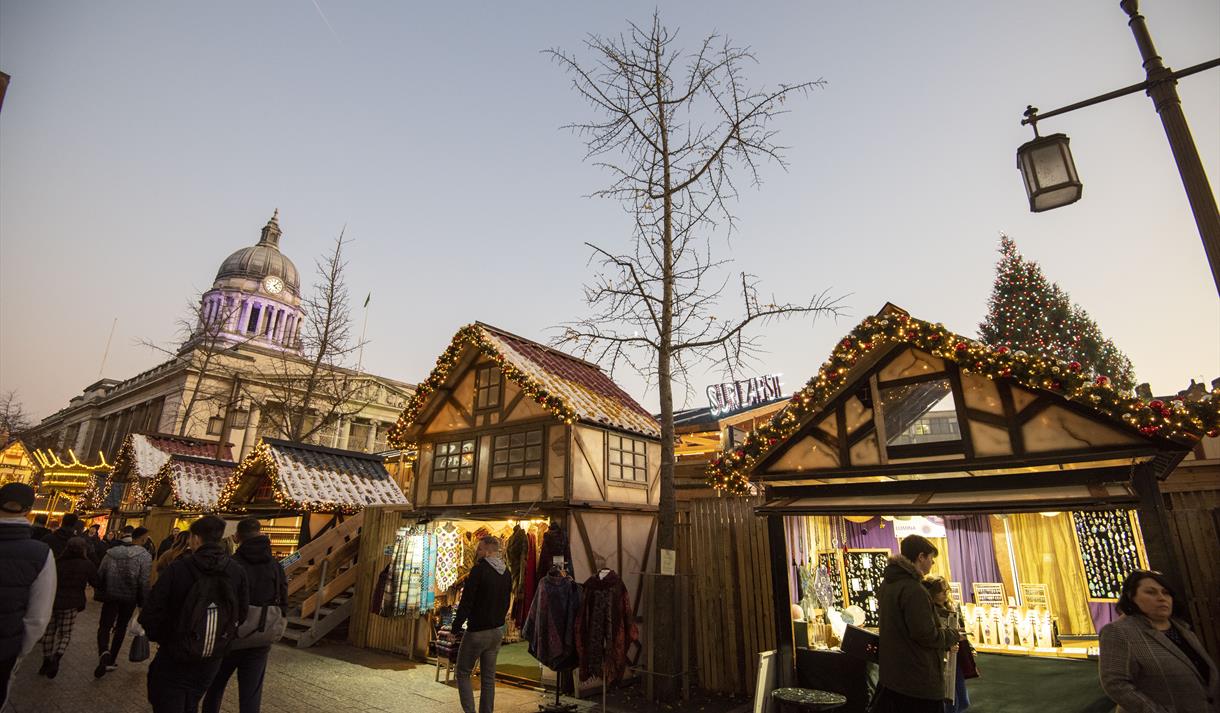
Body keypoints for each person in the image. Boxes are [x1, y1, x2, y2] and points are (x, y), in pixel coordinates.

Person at [140, 515, 249, 713]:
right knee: (192, 701)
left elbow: (151, 611)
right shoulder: (236, 571)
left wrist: (163, 638)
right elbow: (241, 613)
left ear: (196, 538)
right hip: (212, 656)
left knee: (167, 698)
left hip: (176, 652)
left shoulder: (179, 568)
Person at [1099, 570, 1218, 712]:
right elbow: (1116, 684)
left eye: (1165, 593)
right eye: (1151, 592)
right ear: (1132, 597)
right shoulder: (1119, 632)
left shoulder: (1183, 629)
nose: (1161, 598)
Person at [202, 518, 287, 713]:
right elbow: (283, 596)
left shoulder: (231, 564)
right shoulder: (275, 565)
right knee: (251, 693)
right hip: (261, 635)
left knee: (215, 686)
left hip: (230, 635)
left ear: (238, 537)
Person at [874, 534, 954, 713]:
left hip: (895, 678)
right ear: (921, 557)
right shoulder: (914, 589)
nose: (932, 563)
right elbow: (925, 635)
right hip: (917, 682)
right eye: (931, 558)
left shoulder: (888, 584)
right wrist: (952, 635)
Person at [0, 482, 56, 711]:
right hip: (4, 647)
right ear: (29, 511)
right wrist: (20, 650)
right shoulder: (41, 554)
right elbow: (39, 617)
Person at [452, 535, 513, 713]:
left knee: (463, 672)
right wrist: (500, 622)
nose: (477, 552)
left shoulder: (479, 570)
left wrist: (455, 628)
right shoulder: (506, 572)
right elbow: (506, 600)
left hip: (477, 631)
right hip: (496, 631)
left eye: (479, 549)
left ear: (487, 551)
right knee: (488, 678)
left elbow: (467, 601)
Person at [94, 525, 152, 678]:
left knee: (105, 625)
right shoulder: (144, 556)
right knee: (120, 627)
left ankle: (103, 652)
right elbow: (143, 582)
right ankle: (112, 658)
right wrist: (142, 603)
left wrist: (101, 590)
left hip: (110, 595)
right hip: (129, 597)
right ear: (143, 538)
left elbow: (100, 573)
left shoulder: (111, 553)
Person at [38, 536, 98, 679]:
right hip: (72, 602)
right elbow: (96, 581)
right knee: (65, 633)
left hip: (53, 600)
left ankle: (46, 659)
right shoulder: (86, 564)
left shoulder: (57, 562)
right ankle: (57, 657)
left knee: (49, 632)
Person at [922, 576, 969, 713]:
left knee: (963, 701)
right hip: (942, 661)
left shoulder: (950, 606)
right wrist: (947, 645)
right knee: (951, 702)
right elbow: (930, 637)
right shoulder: (930, 612)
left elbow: (959, 629)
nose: (945, 594)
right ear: (932, 593)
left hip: (956, 659)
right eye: (941, 591)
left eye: (946, 591)